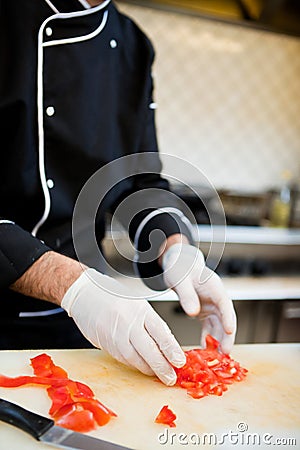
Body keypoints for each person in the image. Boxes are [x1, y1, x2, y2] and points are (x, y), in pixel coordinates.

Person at [0, 0, 236, 386]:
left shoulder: (133, 47)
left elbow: (139, 182)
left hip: (76, 322)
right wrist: (73, 284)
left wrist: (176, 247)